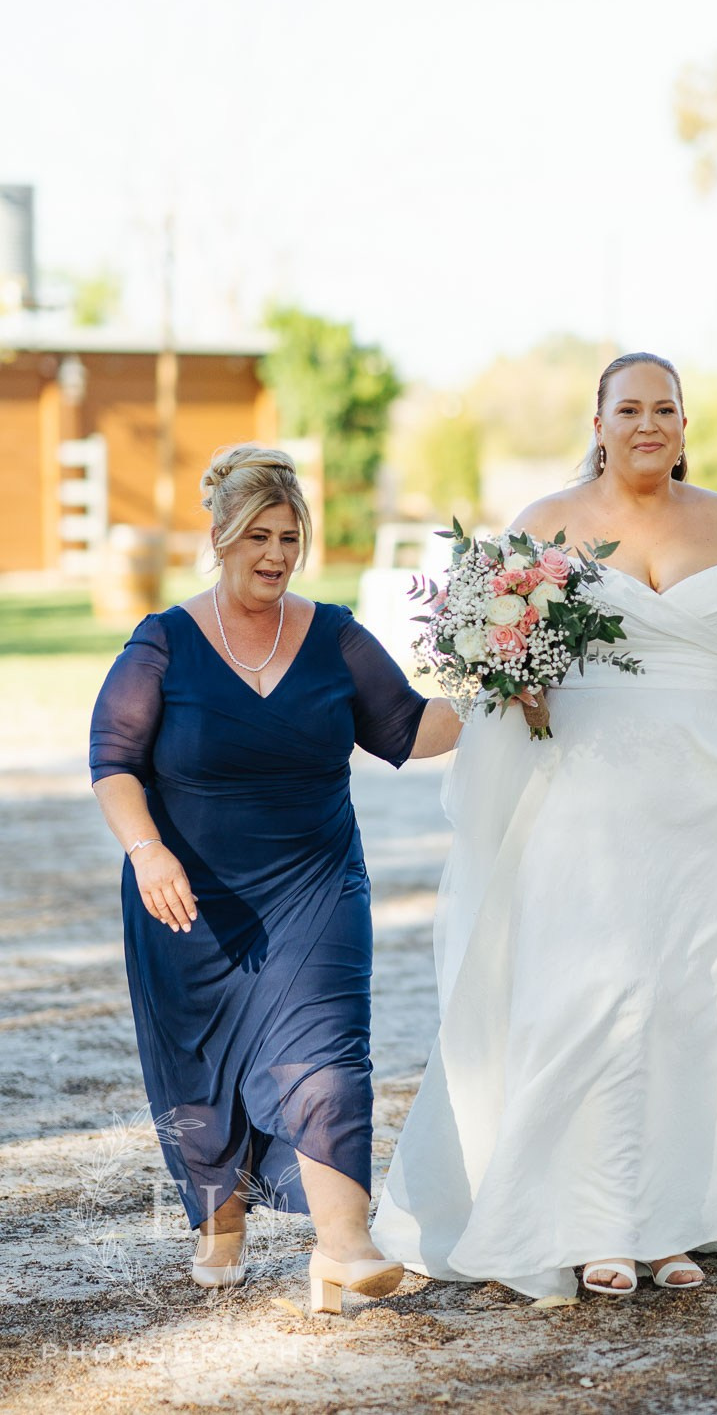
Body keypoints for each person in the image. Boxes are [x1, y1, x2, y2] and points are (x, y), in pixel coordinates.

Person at [373, 352, 717, 1300]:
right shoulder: (543, 525)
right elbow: (493, 657)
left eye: (666, 409)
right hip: (584, 796)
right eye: (629, 408)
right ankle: (588, 1218)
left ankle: (671, 1221)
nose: (649, 423)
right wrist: (518, 673)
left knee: (688, 999)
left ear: (686, 425)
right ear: (597, 422)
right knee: (590, 991)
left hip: (707, 794)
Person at [90, 445, 461, 1311]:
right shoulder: (165, 644)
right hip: (189, 899)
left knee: (328, 1056)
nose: (275, 554)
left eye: (290, 538)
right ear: (219, 537)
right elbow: (113, 761)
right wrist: (148, 850)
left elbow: (407, 729)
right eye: (258, 535)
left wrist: (500, 698)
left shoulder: (334, 635)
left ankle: (344, 1246)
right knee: (201, 1073)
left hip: (316, 887)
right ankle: (219, 1215)